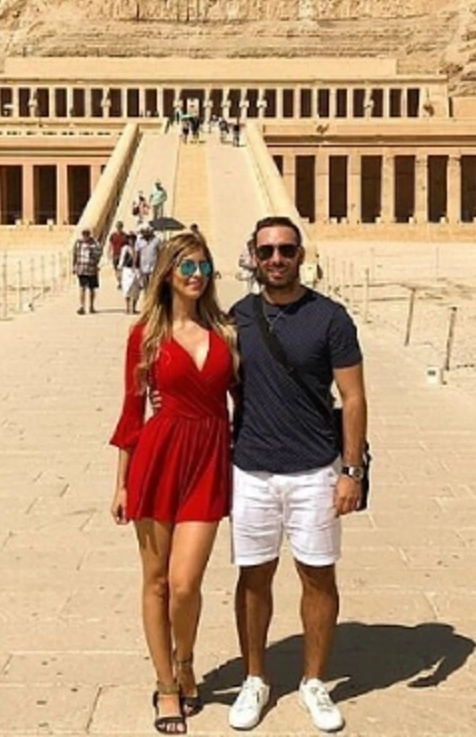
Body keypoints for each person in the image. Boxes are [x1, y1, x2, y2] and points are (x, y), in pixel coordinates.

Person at [226, 215, 368, 733]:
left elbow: (352, 397)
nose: (277, 259)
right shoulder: (237, 317)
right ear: (253, 256)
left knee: (318, 573)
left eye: (286, 250)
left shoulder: (330, 318)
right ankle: (255, 677)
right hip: (253, 470)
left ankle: (313, 681)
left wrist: (350, 470)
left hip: (315, 470)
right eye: (267, 251)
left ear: (301, 255)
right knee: (253, 576)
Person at [109, 231, 238, 735]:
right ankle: (166, 683)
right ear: (166, 273)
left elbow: (247, 399)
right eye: (185, 266)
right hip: (157, 457)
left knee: (186, 584)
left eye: (203, 266)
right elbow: (131, 409)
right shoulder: (145, 335)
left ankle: (186, 659)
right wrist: (120, 483)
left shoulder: (227, 331)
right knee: (157, 580)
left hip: (208, 458)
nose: (195, 275)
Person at [72, 228, 103, 315]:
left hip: (91, 269)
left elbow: (99, 253)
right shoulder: (78, 243)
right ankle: (82, 306)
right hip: (81, 268)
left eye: (87, 234)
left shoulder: (95, 243)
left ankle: (91, 306)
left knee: (92, 289)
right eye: (84, 234)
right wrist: (74, 266)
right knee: (82, 288)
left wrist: (96, 262)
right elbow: (75, 254)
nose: (85, 236)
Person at [119, 232, 142, 314]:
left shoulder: (138, 248)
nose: (131, 240)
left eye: (132, 239)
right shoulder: (125, 248)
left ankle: (133, 308)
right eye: (130, 239)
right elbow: (122, 259)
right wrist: (120, 269)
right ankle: (127, 308)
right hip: (127, 270)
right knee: (127, 288)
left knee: (136, 290)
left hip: (137, 270)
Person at [136, 225, 162, 291]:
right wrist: (136, 264)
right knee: (145, 284)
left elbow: (161, 252)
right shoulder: (139, 241)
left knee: (153, 284)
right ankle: (146, 295)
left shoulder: (157, 240)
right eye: (143, 232)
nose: (144, 234)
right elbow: (137, 253)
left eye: (145, 232)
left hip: (154, 266)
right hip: (143, 266)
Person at [109, 221, 129, 289]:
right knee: (116, 270)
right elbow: (110, 244)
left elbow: (128, 245)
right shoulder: (113, 235)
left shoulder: (125, 236)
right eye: (118, 227)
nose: (119, 228)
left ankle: (121, 283)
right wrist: (109, 252)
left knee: (122, 269)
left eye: (120, 227)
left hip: (122, 255)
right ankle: (119, 281)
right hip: (115, 254)